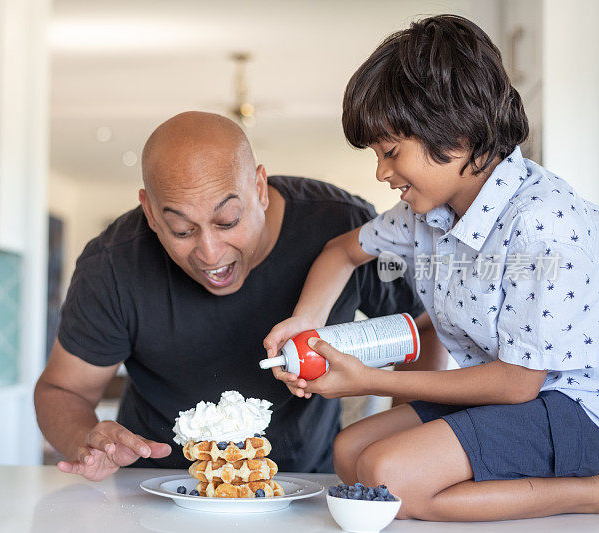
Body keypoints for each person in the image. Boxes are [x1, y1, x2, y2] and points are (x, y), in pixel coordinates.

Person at [264, 14, 599, 521]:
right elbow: (342, 252)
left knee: (390, 478)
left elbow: (517, 384)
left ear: (456, 131)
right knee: (351, 454)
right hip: (515, 401)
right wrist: (304, 324)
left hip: (573, 407)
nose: (381, 172)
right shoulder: (430, 213)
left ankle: (589, 492)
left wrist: (370, 380)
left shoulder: (540, 222)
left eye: (391, 152)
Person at [35, 111, 448, 481]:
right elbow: (62, 391)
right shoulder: (112, 265)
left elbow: (424, 328)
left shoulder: (342, 226)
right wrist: (86, 441)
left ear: (259, 188)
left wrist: (402, 435)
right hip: (155, 491)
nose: (210, 253)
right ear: (149, 212)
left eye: (228, 221)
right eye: (181, 230)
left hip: (307, 486)